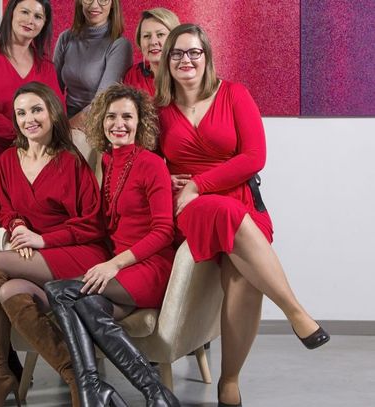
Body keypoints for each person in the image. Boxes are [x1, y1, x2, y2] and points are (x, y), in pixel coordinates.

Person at [155, 24, 330, 406]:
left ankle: (229, 380)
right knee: (219, 208)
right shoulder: (159, 110)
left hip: (242, 203)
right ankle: (296, 312)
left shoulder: (235, 94)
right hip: (191, 208)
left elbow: (254, 157)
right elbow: (146, 165)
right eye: (177, 53)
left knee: (245, 279)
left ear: (207, 57)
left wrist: (198, 182)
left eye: (194, 52)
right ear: (167, 61)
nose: (186, 60)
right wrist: (172, 181)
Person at [44, 84, 181, 407]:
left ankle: (94, 389)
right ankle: (153, 395)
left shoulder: (152, 164)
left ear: (140, 122)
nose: (119, 124)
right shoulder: (106, 161)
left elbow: (164, 231)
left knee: (60, 291)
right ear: (101, 121)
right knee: (89, 305)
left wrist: (114, 264)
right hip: (121, 269)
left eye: (127, 117)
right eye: (111, 116)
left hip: (149, 267)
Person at [0, 81, 110, 407]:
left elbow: (92, 223)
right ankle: (76, 375)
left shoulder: (71, 160)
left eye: (36, 110)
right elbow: (4, 208)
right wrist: (18, 226)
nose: (29, 119)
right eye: (21, 113)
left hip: (78, 252)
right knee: (9, 292)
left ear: (52, 113)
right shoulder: (8, 159)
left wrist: (43, 239)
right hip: (33, 255)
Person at [0, 0, 63, 154]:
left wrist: (37, 141)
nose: (30, 20)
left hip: (40, 151)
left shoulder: (45, 64)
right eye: (25, 12)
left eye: (38, 16)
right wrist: (24, 135)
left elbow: (58, 110)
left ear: (44, 24)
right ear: (11, 13)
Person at [54, 0, 132, 129]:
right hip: (65, 118)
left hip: (97, 122)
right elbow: (53, 90)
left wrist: (63, 131)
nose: (94, 5)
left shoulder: (119, 45)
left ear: (113, 4)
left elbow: (101, 102)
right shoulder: (66, 38)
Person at [123, 7, 180, 96]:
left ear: (176, 38)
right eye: (146, 36)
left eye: (160, 34)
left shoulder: (186, 73)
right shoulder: (133, 75)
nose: (153, 42)